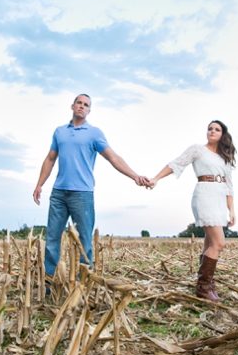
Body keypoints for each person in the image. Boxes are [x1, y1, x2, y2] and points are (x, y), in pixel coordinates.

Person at [34, 94, 151, 280]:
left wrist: (134, 176)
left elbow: (113, 157)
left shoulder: (94, 133)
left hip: (82, 195)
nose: (82, 106)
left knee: (84, 242)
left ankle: (82, 284)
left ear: (89, 110)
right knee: (52, 241)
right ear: (72, 106)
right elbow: (50, 159)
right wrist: (40, 184)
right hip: (58, 193)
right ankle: (48, 284)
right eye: (79, 103)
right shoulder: (59, 132)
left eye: (86, 105)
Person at [148, 120, 236, 302]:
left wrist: (231, 210)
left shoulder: (225, 157)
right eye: (210, 128)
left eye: (216, 129)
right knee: (219, 244)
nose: (212, 131)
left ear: (223, 135)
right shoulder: (197, 149)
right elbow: (176, 163)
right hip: (205, 194)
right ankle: (203, 287)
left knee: (209, 244)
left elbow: (229, 186)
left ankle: (208, 284)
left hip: (220, 198)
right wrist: (156, 178)